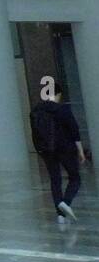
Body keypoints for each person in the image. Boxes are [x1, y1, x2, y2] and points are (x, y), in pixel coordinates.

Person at [31, 89, 86, 224]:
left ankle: (60, 215)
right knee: (75, 178)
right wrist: (81, 151)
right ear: (58, 95)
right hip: (65, 148)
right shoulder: (63, 110)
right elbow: (74, 130)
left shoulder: (37, 110)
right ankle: (66, 203)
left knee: (55, 179)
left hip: (46, 150)